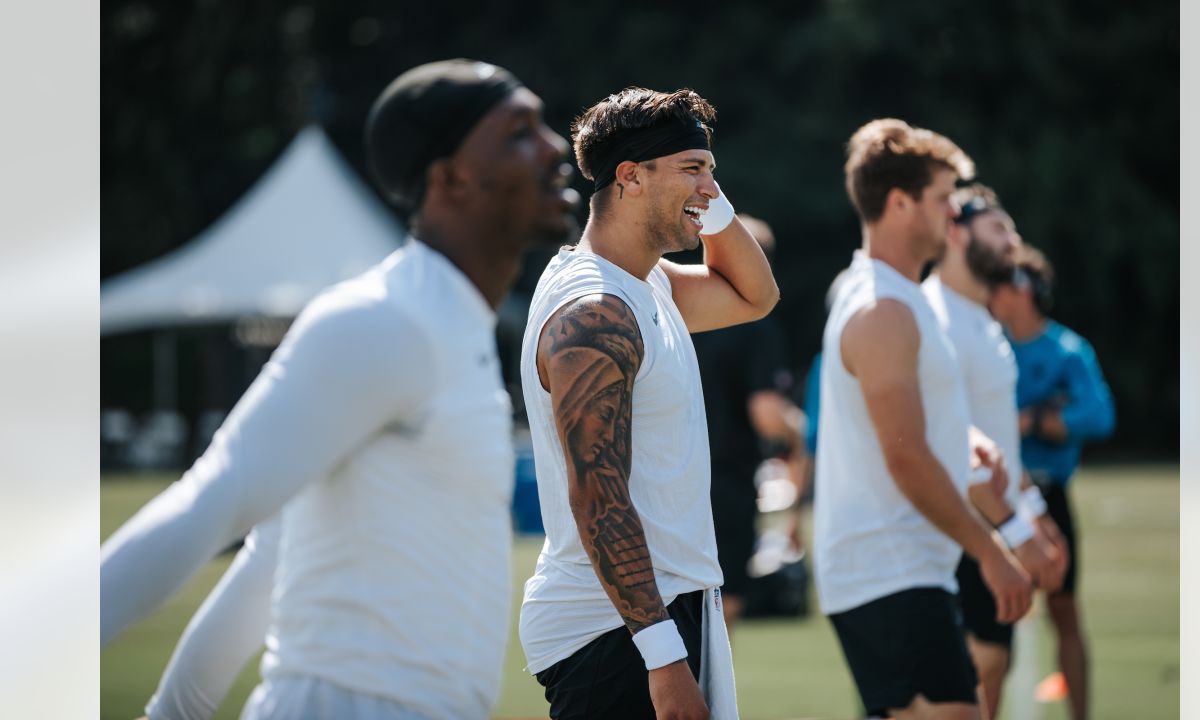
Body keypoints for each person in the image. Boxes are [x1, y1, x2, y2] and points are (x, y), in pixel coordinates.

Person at [100, 59, 580, 720]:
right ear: (450, 179)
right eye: (519, 132)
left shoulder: (450, 328)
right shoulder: (385, 319)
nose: (556, 148)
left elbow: (271, 559)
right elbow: (211, 503)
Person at [519, 87, 779, 720]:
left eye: (712, 170)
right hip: (616, 628)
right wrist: (664, 657)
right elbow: (598, 495)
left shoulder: (645, 281)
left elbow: (755, 295)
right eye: (694, 168)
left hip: (654, 611)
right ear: (631, 177)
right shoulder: (594, 309)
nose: (711, 188)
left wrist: (705, 204)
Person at [813, 118, 1033, 720]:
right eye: (943, 201)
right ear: (900, 202)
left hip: (903, 569)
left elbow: (914, 428)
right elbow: (904, 456)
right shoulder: (883, 308)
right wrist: (992, 551)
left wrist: (967, 442)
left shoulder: (903, 297)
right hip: (887, 569)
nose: (952, 217)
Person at [922, 183, 1069, 719]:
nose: (1014, 240)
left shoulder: (982, 318)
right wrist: (1016, 535)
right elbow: (954, 444)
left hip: (994, 518)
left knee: (991, 666)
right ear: (957, 234)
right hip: (957, 530)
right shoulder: (935, 318)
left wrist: (1036, 518)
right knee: (963, 675)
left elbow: (996, 438)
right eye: (999, 228)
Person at [989, 244, 1115, 720]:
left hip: (1048, 491)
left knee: (1064, 611)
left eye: (999, 281)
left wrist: (1037, 421)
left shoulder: (1066, 349)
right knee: (993, 622)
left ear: (1022, 290)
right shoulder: (986, 342)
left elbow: (1099, 415)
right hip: (994, 494)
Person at [689, 214, 809, 633]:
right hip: (725, 483)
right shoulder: (755, 325)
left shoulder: (676, 309)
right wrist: (801, 431)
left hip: (667, 478)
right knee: (721, 613)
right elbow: (769, 416)